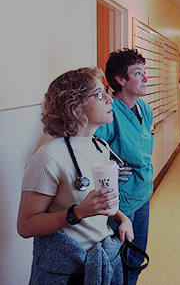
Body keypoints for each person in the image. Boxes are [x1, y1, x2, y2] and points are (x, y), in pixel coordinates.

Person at [17, 67, 134, 284]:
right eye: (99, 95)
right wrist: (77, 213)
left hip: (102, 260)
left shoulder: (100, 146)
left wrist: (122, 218)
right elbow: (25, 226)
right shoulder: (49, 156)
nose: (110, 100)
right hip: (66, 271)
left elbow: (99, 202)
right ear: (75, 106)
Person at [95, 49, 154, 285]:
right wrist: (110, 168)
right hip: (123, 200)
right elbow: (93, 150)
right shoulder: (110, 114)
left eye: (144, 72)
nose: (145, 78)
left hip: (143, 192)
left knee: (137, 256)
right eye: (138, 73)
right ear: (120, 80)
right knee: (121, 261)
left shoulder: (145, 110)